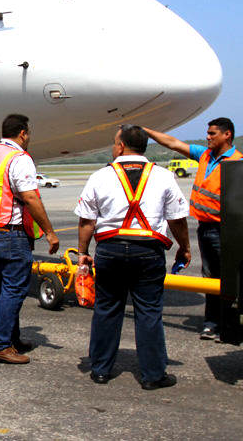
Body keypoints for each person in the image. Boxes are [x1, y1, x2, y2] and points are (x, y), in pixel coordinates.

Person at [75, 125, 190, 389]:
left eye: (115, 143)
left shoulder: (100, 176)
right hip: (148, 251)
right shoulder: (163, 176)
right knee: (149, 312)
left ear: (121, 147)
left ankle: (101, 370)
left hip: (111, 250)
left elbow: (86, 221)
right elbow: (177, 219)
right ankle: (153, 375)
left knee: (107, 309)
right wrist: (184, 247)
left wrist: (83, 253)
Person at [143, 118, 241, 340]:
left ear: (227, 135)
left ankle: (229, 325)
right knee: (209, 277)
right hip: (205, 228)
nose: (207, 137)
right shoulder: (204, 155)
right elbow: (173, 143)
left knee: (229, 279)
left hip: (227, 230)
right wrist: (146, 130)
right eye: (207, 133)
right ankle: (211, 323)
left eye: (212, 133)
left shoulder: (237, 162)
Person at [0, 114, 59, 364]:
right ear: (22, 133)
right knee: (15, 288)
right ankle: (0, 345)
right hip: (12, 233)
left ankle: (11, 338)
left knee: (3, 288)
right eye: (29, 134)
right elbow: (31, 198)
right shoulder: (19, 159)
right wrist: (49, 232)